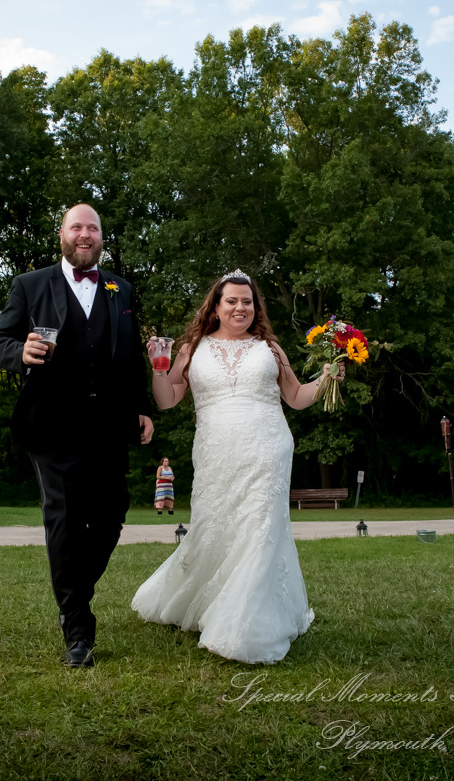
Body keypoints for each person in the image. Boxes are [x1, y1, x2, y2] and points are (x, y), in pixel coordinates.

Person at [131, 269, 342, 664]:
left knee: (260, 529)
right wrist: (158, 369)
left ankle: (247, 625)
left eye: (247, 301)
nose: (240, 307)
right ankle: (206, 602)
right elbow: (167, 400)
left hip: (268, 448)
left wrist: (327, 378)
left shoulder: (270, 349)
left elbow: (296, 397)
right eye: (232, 300)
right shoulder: (192, 348)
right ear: (216, 305)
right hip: (214, 451)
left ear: (255, 306)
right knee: (214, 527)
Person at [0, 203, 154, 669]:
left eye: (93, 228)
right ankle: (77, 630)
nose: (85, 235)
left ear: (102, 236)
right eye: (76, 227)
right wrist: (21, 350)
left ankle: (75, 591)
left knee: (113, 510)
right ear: (61, 234)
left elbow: (128, 360)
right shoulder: (30, 285)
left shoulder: (123, 290)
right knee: (63, 518)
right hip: (52, 424)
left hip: (109, 425)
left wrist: (141, 406)